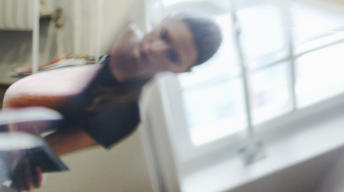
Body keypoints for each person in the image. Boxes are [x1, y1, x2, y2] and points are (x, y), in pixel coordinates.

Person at [4, 14, 222, 157]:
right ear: (165, 20)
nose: (155, 49)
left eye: (172, 55)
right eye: (163, 35)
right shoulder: (114, 26)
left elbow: (39, 154)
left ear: (181, 71)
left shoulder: (125, 117)